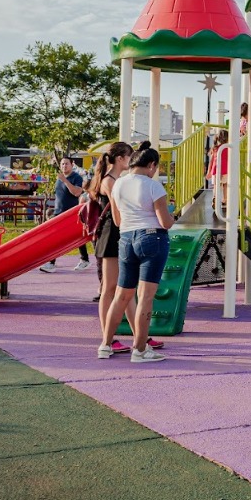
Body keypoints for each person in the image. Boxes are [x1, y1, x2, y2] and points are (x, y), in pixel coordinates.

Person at [100, 145, 175, 363]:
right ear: (151, 165)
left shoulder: (117, 184)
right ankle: (140, 349)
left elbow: (117, 220)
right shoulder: (153, 186)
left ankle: (105, 345)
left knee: (122, 295)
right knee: (145, 297)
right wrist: (174, 217)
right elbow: (165, 222)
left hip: (125, 239)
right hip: (152, 238)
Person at [40, 157, 91, 273]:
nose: (64, 166)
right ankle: (84, 259)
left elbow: (77, 192)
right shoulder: (59, 178)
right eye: (62, 164)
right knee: (55, 237)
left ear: (72, 164)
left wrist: (65, 181)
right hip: (58, 213)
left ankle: (53, 263)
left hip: (71, 213)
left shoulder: (76, 177)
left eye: (66, 164)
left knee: (74, 236)